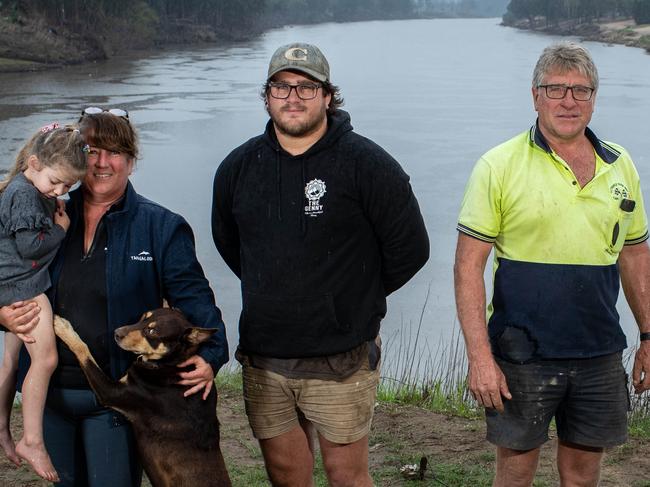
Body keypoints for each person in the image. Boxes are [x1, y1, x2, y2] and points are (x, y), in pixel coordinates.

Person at [212, 42, 429, 486]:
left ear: (328, 96)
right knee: (287, 475)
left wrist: (351, 296)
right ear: (267, 94)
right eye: (282, 86)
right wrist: (277, 287)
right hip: (266, 354)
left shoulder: (367, 164)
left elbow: (412, 248)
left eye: (306, 87)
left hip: (341, 355)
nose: (293, 97)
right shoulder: (238, 168)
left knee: (346, 476)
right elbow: (231, 245)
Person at [454, 41, 650, 487]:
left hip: (598, 351)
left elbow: (635, 254)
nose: (568, 101)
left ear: (594, 98)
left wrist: (648, 336)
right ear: (535, 95)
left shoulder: (621, 165)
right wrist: (480, 358)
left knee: (583, 475)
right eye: (555, 88)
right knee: (516, 474)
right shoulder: (498, 165)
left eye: (581, 91)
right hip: (522, 355)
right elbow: (468, 266)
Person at [1, 108, 229, 486]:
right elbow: (7, 274)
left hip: (119, 404)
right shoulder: (47, 216)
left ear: (131, 161)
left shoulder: (161, 227)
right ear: (76, 157)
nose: (102, 163)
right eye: (92, 150)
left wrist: (212, 355)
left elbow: (197, 303)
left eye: (115, 152)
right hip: (50, 401)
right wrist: (3, 316)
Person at [0, 123, 87, 482]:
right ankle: (32, 438)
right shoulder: (24, 195)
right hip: (24, 285)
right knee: (46, 358)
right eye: (55, 182)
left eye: (68, 186)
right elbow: (30, 248)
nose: (60, 191)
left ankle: (2, 426)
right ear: (33, 163)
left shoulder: (26, 186)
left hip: (9, 282)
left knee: (10, 359)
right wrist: (61, 230)